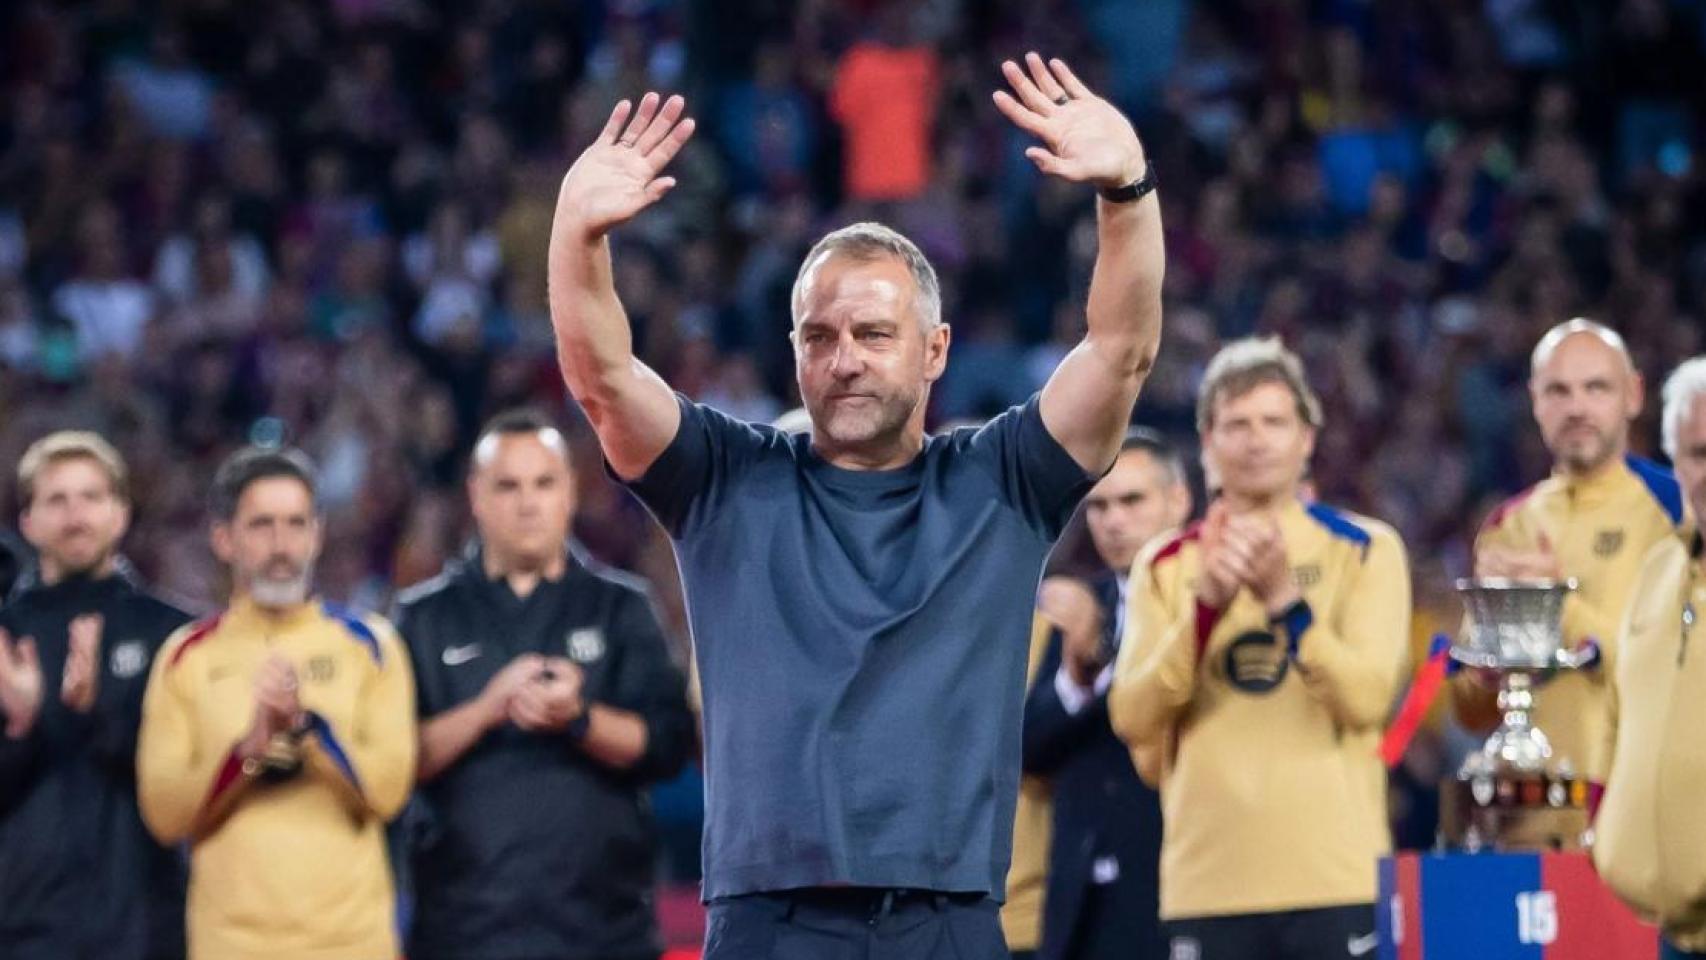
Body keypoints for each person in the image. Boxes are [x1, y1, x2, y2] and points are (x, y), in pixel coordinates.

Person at [549, 52, 1163, 959]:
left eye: (876, 334)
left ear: (936, 349)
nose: (846, 358)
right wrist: (575, 233)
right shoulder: (727, 478)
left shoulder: (1000, 481)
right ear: (795, 349)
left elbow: (1120, 353)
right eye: (821, 336)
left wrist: (1130, 193)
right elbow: (602, 380)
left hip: (946, 921)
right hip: (766, 921)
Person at [1109, 337, 1409, 960]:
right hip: (1206, 885)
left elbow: (1367, 702)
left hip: (1335, 877)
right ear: (1208, 444)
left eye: (1275, 422)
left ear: (1307, 439)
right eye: (1237, 424)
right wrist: (1205, 608)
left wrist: (1285, 604)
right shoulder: (1163, 565)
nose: (1256, 439)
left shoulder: (1366, 549)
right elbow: (1132, 716)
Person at [397, 409, 695, 960]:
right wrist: (487, 709)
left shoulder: (621, 606)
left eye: (543, 483)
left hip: (606, 934)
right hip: (462, 933)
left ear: (570, 492)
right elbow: (392, 764)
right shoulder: (422, 617)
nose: (527, 502)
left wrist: (578, 717)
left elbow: (669, 745)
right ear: (477, 496)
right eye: (507, 486)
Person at [136, 447, 416, 960]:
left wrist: (306, 729)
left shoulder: (370, 645)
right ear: (224, 539)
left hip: (354, 944)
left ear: (318, 534)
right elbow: (164, 814)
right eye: (261, 525)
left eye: (295, 523)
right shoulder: (186, 656)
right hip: (231, 946)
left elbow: (389, 792)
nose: (281, 544)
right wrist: (251, 747)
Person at [1454, 319, 1682, 788]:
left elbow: (1677, 677)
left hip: (1645, 804)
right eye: (1558, 391)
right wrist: (1490, 653)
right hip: (1530, 811)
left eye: (1596, 388)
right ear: (1535, 400)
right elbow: (1469, 711)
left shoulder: (1679, 510)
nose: (1576, 407)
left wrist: (1555, 606)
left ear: (1634, 395)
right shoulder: (1508, 524)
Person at [0, 432, 192, 960]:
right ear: (28, 522)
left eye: (91, 497)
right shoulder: (4, 640)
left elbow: (186, 787)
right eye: (56, 500)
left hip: (145, 925)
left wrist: (99, 713)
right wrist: (21, 725)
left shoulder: (176, 636)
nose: (75, 514)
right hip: (23, 928)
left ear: (121, 513)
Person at [1023, 429, 1191, 960]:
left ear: (1179, 500)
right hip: (1081, 903)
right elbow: (1029, 750)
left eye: (1132, 501)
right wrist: (1078, 675)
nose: (1113, 521)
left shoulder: (1215, 600)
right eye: (1097, 507)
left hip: (1178, 883)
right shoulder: (1081, 609)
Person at [1595, 355, 1706, 960]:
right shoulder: (1658, 570)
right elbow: (1621, 719)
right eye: (1699, 454)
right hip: (1672, 935)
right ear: (1677, 464)